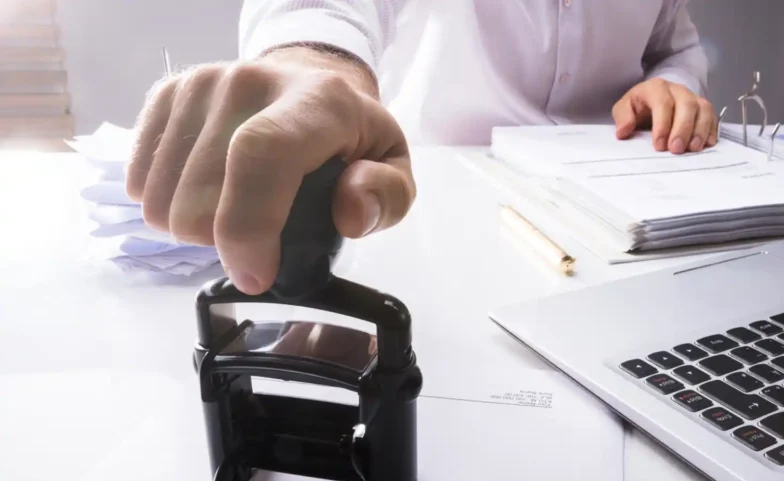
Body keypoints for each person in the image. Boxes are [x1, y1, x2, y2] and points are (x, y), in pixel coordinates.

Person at [126, 1, 716, 295]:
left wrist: (675, 83)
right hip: (440, 217)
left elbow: (676, 48)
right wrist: (311, 61)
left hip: (619, 220)